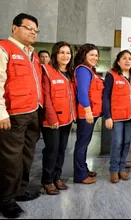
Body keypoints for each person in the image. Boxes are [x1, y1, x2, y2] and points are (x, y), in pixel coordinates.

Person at [0, 13, 42, 218]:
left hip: (32, 112)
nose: (33, 32)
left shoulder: (32, 55)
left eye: (35, 29)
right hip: (12, 115)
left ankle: (19, 190)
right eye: (28, 28)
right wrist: (1, 113)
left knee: (27, 155)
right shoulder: (4, 48)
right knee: (11, 159)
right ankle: (6, 199)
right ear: (14, 28)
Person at [40, 41, 77, 194]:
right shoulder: (47, 71)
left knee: (62, 149)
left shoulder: (70, 73)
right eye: (62, 52)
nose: (65, 55)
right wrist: (51, 117)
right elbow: (46, 97)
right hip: (52, 121)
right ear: (55, 54)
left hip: (67, 119)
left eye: (68, 53)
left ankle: (57, 177)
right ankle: (47, 180)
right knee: (52, 150)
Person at [103, 50, 131, 183]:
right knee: (117, 143)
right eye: (124, 58)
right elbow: (105, 96)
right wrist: (107, 117)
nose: (128, 61)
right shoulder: (111, 75)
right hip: (116, 117)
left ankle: (122, 168)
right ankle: (113, 170)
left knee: (126, 143)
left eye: (130, 58)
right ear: (118, 61)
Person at [73, 44, 104, 184]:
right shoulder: (83, 71)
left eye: (96, 55)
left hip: (92, 113)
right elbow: (83, 93)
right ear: (84, 55)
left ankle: (83, 169)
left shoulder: (91, 71)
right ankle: (80, 175)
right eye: (91, 54)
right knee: (82, 145)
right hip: (86, 114)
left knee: (85, 143)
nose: (94, 58)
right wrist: (88, 111)